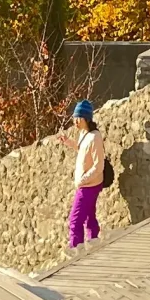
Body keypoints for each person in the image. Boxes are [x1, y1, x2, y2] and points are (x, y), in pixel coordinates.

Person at [59, 100, 106, 249]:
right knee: (89, 216)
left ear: (86, 118)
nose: (75, 121)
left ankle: (75, 248)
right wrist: (67, 142)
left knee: (75, 219)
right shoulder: (83, 134)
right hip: (87, 184)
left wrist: (82, 180)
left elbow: (99, 165)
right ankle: (93, 241)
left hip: (89, 185)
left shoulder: (95, 137)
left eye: (78, 118)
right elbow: (82, 149)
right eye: (75, 117)